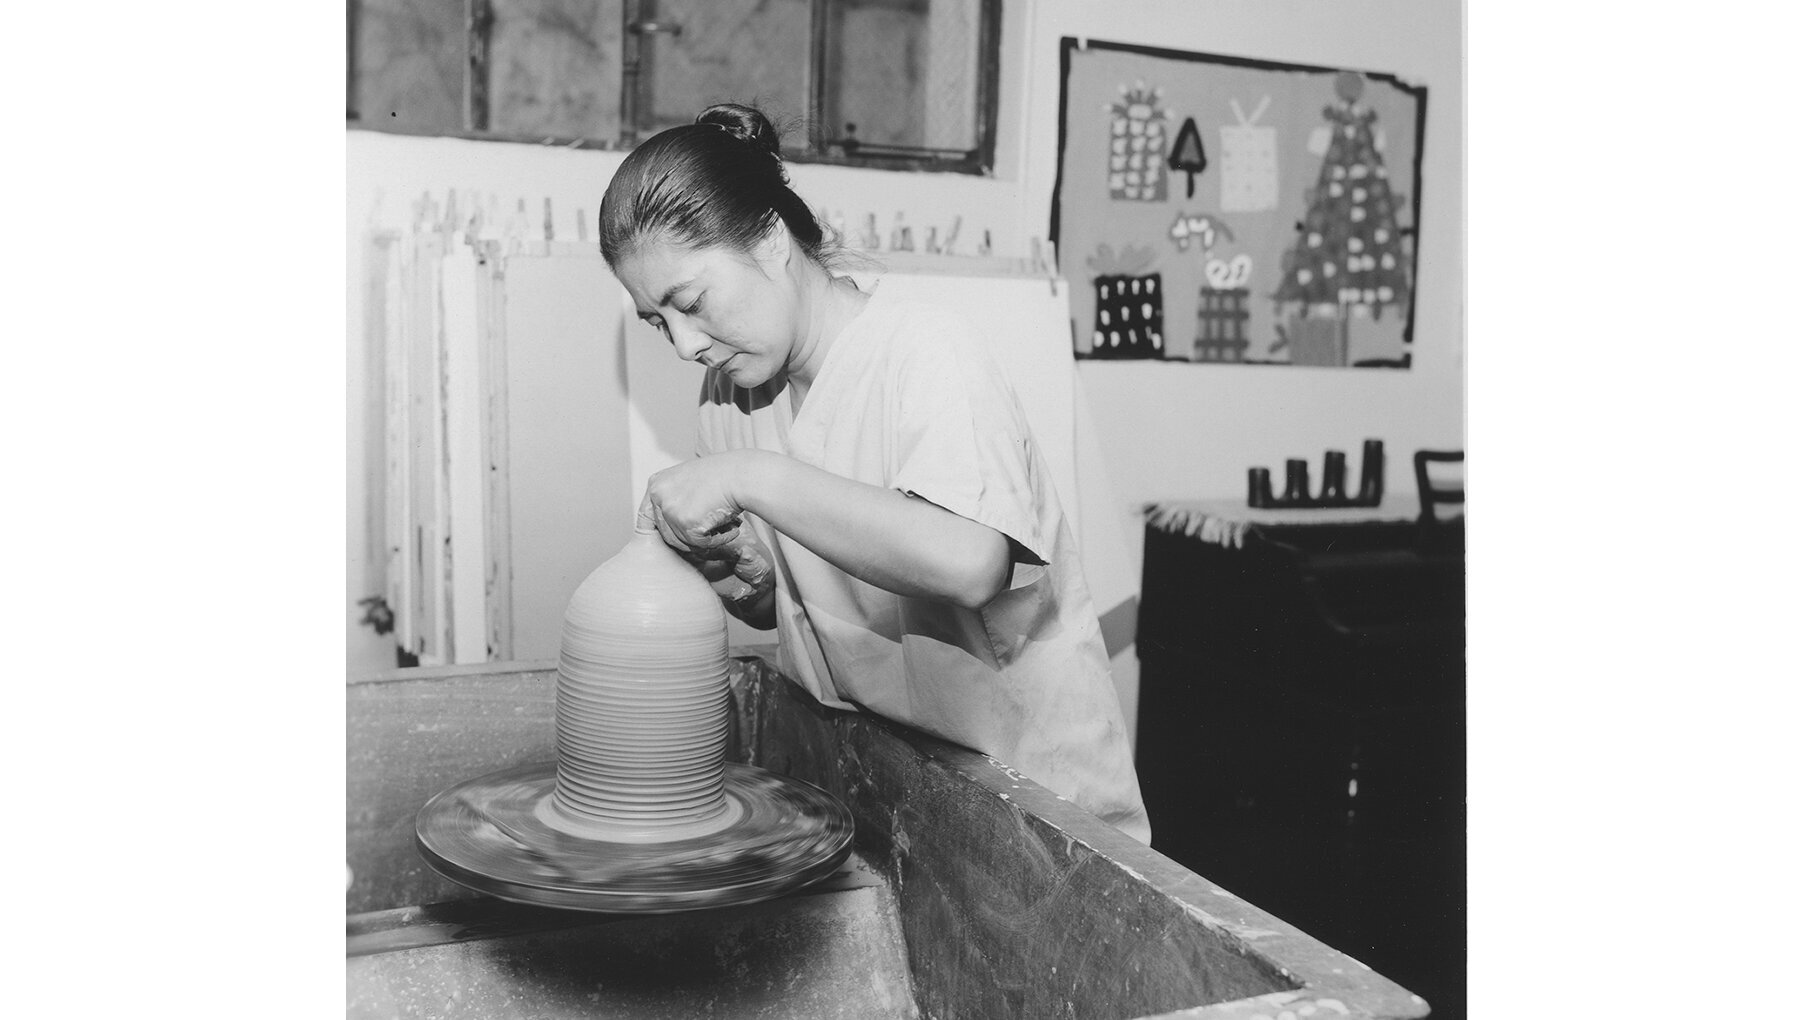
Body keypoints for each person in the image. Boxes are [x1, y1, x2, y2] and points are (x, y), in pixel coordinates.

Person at [599, 103, 1149, 843]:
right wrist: (750, 582)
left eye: (690, 303)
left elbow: (970, 562)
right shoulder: (729, 401)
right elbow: (802, 605)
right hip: (893, 785)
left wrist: (750, 477)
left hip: (1034, 803)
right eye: (657, 322)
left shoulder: (924, 353)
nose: (685, 344)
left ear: (768, 239)